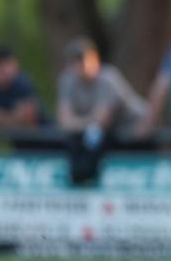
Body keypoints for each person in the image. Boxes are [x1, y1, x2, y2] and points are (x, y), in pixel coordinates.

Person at [57, 38, 147, 183]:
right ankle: (80, 177)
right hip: (106, 133)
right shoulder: (68, 80)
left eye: (83, 59)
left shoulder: (108, 79)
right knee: (81, 141)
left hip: (135, 131)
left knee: (93, 137)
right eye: (76, 60)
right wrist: (87, 121)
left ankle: (87, 176)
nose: (80, 65)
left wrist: (78, 122)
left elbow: (101, 120)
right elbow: (65, 121)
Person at [0, 46, 46, 128]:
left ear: (15, 66)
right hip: (12, 137)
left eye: (3, 64)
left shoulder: (23, 84)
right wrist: (11, 116)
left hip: (45, 137)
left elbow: (28, 118)